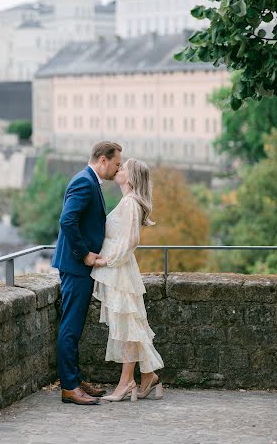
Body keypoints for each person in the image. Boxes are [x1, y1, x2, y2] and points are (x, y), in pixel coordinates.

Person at [52, 141, 122, 405]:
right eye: (116, 164)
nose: (118, 170)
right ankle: (69, 386)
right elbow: (67, 220)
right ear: (103, 160)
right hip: (75, 265)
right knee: (70, 326)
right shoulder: (83, 182)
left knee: (75, 325)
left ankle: (74, 378)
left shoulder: (89, 180)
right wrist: (84, 254)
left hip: (78, 266)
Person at [91, 158, 164, 402]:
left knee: (126, 328)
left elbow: (131, 241)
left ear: (131, 178)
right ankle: (148, 376)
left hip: (119, 271)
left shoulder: (130, 203)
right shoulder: (127, 202)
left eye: (122, 168)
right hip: (120, 271)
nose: (118, 169)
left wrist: (106, 260)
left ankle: (126, 382)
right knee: (128, 325)